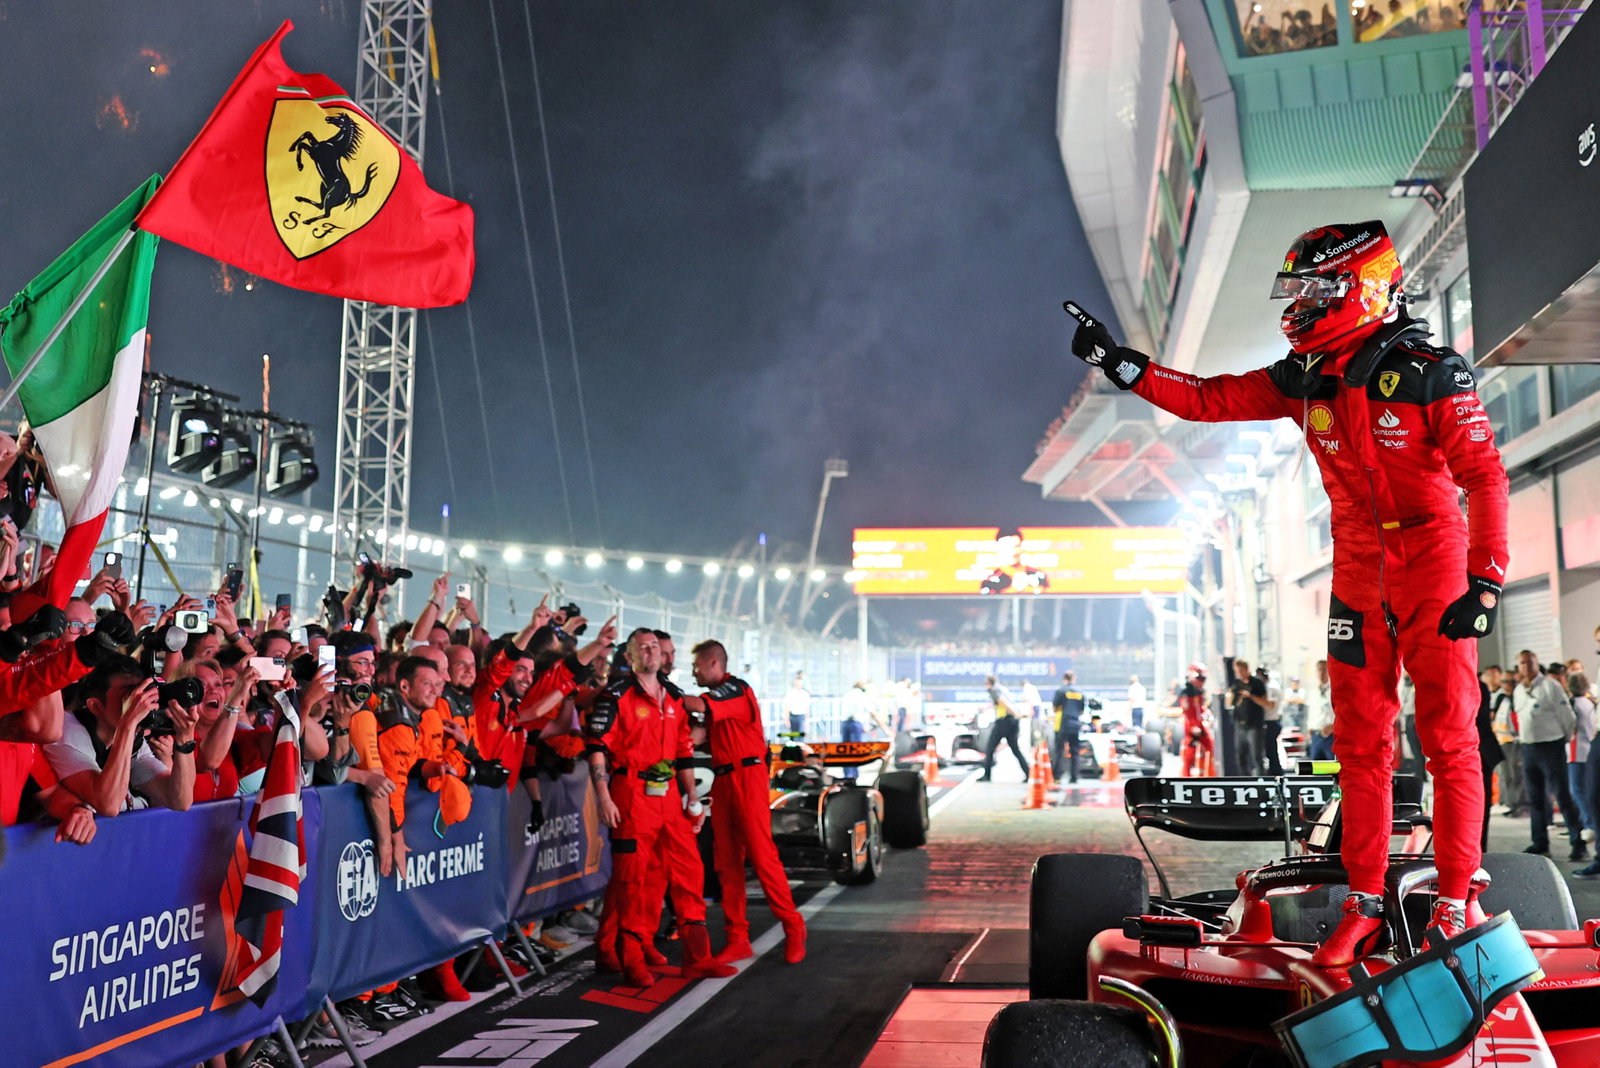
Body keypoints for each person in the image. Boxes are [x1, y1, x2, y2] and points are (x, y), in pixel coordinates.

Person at [1067, 218, 1509, 962]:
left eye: (1317, 288)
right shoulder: (1303, 375)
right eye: (1298, 288)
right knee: (1361, 745)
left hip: (1433, 555)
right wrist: (1125, 366)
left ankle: (1456, 903)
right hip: (1356, 564)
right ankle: (1365, 902)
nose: (1301, 303)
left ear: (1362, 287)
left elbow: (1485, 477)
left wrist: (1487, 577)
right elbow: (1208, 398)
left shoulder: (1436, 370)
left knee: (1449, 741)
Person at [585, 630, 733, 988]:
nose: (652, 653)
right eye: (643, 648)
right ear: (631, 657)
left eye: (655, 647)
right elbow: (596, 746)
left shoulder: (675, 698)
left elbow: (684, 752)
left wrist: (693, 799)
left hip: (668, 798)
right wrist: (603, 797)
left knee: (688, 872)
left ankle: (698, 958)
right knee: (632, 879)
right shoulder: (616, 696)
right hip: (631, 794)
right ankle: (631, 959)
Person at [684, 639, 806, 965]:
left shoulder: (735, 689)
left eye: (697, 665)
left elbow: (698, 706)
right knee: (726, 863)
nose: (693, 671)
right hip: (724, 780)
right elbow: (695, 733)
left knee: (762, 857)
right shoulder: (717, 698)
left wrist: (664, 693)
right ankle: (737, 937)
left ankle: (793, 926)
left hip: (748, 777)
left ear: (712, 663)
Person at [1513, 649, 1580, 859]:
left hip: (1551, 746)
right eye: (1523, 663)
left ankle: (1578, 842)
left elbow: (1568, 717)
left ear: (1537, 663)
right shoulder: (1519, 690)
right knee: (1535, 798)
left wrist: (1565, 738)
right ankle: (1539, 841)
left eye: (1530, 662)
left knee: (1562, 794)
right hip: (1529, 747)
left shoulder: (1551, 686)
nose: (1527, 666)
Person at [1475, 666, 1505, 853]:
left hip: (1477, 752)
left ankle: (1478, 847)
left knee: (1480, 804)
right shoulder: (1481, 687)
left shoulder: (1477, 688)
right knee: (1480, 804)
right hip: (1478, 751)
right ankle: (1478, 847)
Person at [979, 675, 1028, 782]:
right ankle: (1028, 773)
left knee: (990, 748)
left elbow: (1002, 702)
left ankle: (987, 775)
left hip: (1003, 722)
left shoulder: (994, 690)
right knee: (1016, 750)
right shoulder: (1003, 689)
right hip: (1012, 722)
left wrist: (1015, 714)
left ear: (989, 683)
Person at [1050, 671, 1092, 784]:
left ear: (1064, 678)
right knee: (1075, 751)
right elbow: (1082, 710)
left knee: (1059, 750)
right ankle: (1074, 776)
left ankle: (1057, 776)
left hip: (1061, 724)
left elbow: (1054, 708)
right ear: (1074, 678)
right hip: (1075, 724)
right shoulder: (1080, 692)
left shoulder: (1061, 691)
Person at [1229, 659, 1269, 775]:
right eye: (1237, 671)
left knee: (1257, 755)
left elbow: (1265, 702)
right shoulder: (1236, 685)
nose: (1240, 674)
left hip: (1255, 724)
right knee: (1241, 755)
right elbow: (1231, 703)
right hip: (1240, 724)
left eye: (1241, 670)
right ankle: (1244, 779)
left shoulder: (1257, 683)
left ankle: (1261, 779)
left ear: (1247, 669)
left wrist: (1251, 696)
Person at [1179, 664, 1213, 776]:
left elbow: (1201, 708)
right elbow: (1187, 712)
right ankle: (1186, 777)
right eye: (1200, 678)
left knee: (1211, 747)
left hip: (1201, 724)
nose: (1202, 681)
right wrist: (1194, 726)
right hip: (1192, 726)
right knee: (1189, 754)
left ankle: (1210, 774)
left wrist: (1207, 715)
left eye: (1204, 678)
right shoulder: (1187, 693)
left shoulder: (1199, 692)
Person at [1307, 659, 1335, 761]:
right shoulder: (1313, 692)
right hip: (1316, 735)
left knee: (1332, 769)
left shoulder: (1335, 691)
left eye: (1324, 670)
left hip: (1331, 736)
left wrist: (1333, 726)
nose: (1322, 673)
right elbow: (1312, 711)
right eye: (1319, 670)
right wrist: (1309, 727)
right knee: (1316, 770)